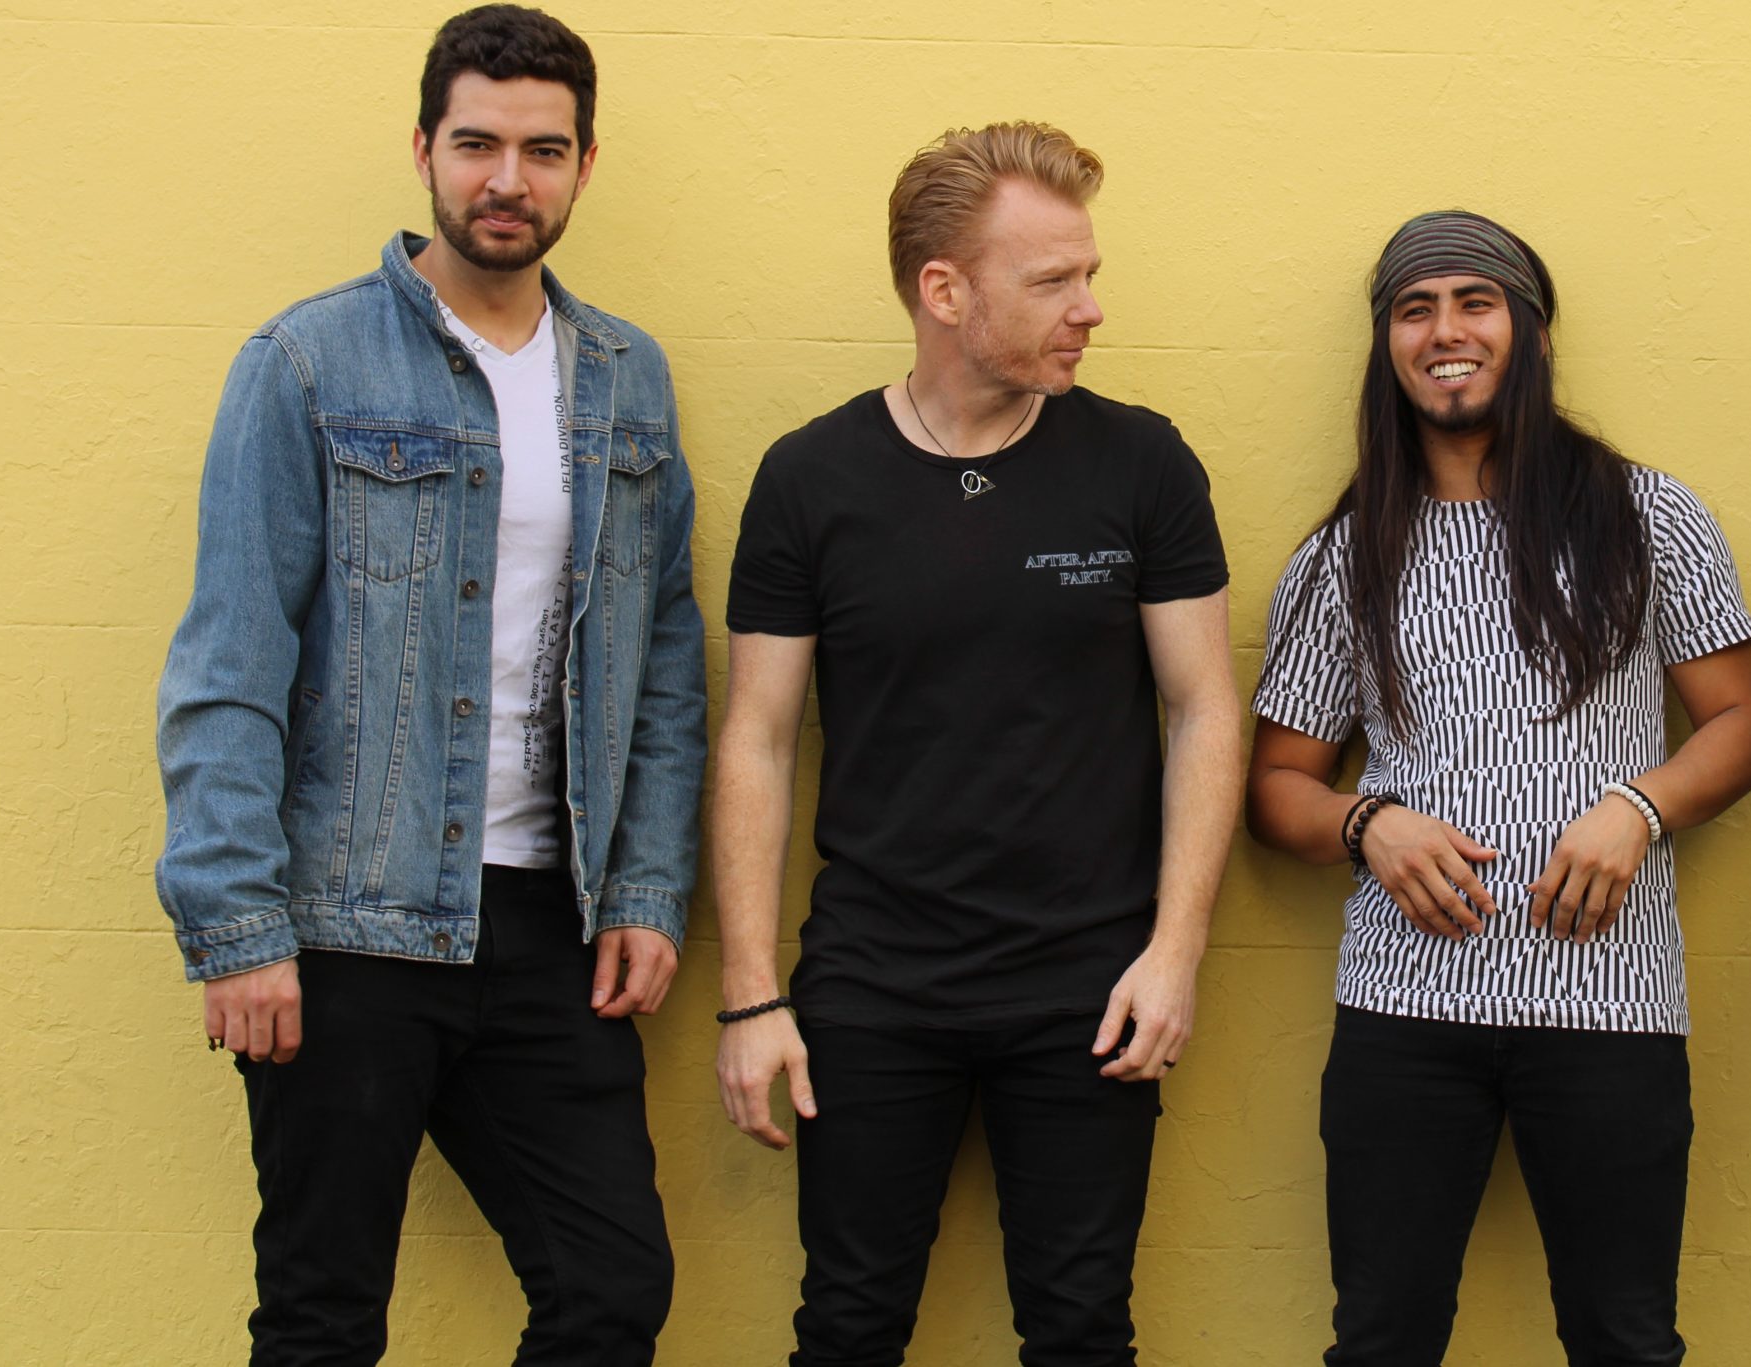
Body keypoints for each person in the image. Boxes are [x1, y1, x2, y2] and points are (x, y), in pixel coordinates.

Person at [154, 6, 704, 1363]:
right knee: (323, 1313)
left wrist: (643, 887)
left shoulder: (627, 378)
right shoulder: (308, 362)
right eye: (477, 144)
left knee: (611, 1285)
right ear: (423, 150)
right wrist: (238, 923)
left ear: (584, 165)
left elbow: (663, 655)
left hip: (550, 925)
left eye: (543, 150)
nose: (507, 180)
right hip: (348, 925)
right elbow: (231, 659)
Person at [710, 121, 1243, 1366]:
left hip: (1089, 989)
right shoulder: (811, 478)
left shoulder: (1141, 462)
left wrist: (1174, 952)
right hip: (873, 986)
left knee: (1080, 1329)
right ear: (944, 292)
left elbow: (1205, 707)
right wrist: (750, 993)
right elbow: (757, 738)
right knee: (847, 1326)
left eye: (1088, 273)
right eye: (1053, 280)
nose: (1090, 308)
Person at [1246, 209, 1751, 1366]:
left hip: (1610, 1003)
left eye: (1474, 302)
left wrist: (1638, 806)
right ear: (1388, 343)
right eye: (1415, 309)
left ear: (1531, 332)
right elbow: (1277, 784)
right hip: (1404, 1009)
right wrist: (1366, 822)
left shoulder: (1647, 514)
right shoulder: (1344, 555)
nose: (1446, 331)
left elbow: (1744, 728)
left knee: (1624, 1337)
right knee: (1380, 1339)